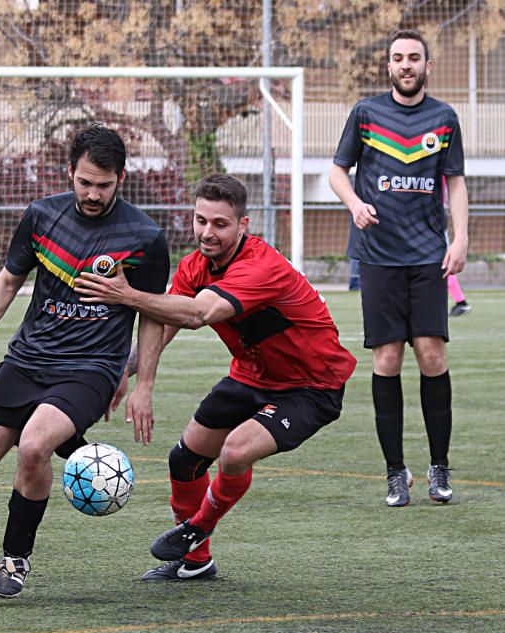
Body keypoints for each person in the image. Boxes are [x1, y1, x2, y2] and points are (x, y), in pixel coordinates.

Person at [0, 124, 170, 600]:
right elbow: (8, 282)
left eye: (104, 184)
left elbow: (153, 315)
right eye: (84, 182)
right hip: (27, 360)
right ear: (70, 172)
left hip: (91, 368)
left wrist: (143, 384)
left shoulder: (144, 236)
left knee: (34, 446)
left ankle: (15, 559)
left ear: (122, 177)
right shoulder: (41, 216)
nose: (93, 194)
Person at [74, 174, 357, 580]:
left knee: (236, 451)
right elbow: (164, 322)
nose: (207, 232)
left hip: (311, 384)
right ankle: (196, 562)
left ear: (243, 225)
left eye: (220, 224)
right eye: (200, 220)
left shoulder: (260, 267)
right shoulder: (195, 266)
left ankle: (197, 527)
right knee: (185, 460)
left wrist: (125, 295)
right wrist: (126, 373)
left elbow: (196, 314)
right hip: (252, 374)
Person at [328, 29, 468, 507]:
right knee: (386, 360)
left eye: (414, 58)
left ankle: (439, 467)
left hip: (428, 254)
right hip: (379, 255)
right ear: (388, 66)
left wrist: (461, 237)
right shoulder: (366, 114)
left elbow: (455, 181)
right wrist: (353, 203)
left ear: (428, 66)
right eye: (397, 58)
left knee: (432, 355)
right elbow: (336, 171)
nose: (405, 65)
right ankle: (394, 472)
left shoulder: (444, 118)